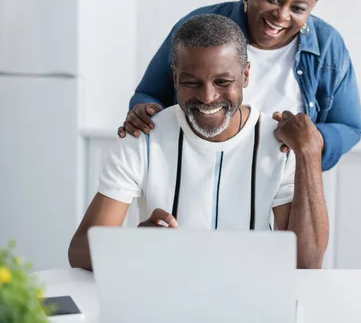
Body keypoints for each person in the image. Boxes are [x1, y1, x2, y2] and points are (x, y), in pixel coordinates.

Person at [68, 14, 328, 271]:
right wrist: (137, 244)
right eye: (191, 82)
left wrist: (309, 153)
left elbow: (305, 263)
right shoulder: (143, 138)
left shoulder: (277, 144)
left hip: (248, 299)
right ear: (175, 79)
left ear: (246, 75)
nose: (207, 97)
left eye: (223, 82)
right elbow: (79, 250)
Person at [118, 0, 361, 171]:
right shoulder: (200, 26)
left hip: (283, 185)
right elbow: (148, 95)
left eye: (298, 9)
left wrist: (310, 138)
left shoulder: (329, 45)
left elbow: (349, 126)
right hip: (193, 172)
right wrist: (146, 113)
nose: (281, 15)